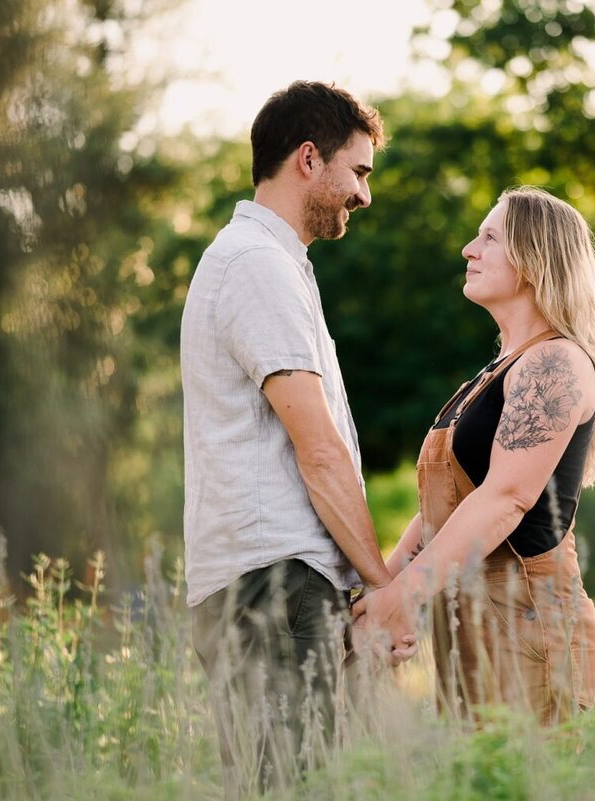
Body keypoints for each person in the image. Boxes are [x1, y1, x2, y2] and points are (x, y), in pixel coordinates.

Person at [180, 81, 415, 794]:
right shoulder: (256, 266)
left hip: (275, 583)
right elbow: (318, 452)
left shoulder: (274, 264)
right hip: (273, 585)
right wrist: (385, 589)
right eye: (359, 171)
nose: (364, 195)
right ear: (309, 159)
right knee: (289, 784)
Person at [353, 186, 595, 725]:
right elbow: (446, 513)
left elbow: (506, 498)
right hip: (470, 630)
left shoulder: (556, 364)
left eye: (490, 237)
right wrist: (383, 592)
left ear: (533, 258)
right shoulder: (494, 373)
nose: (468, 250)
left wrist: (406, 596)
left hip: (531, 631)